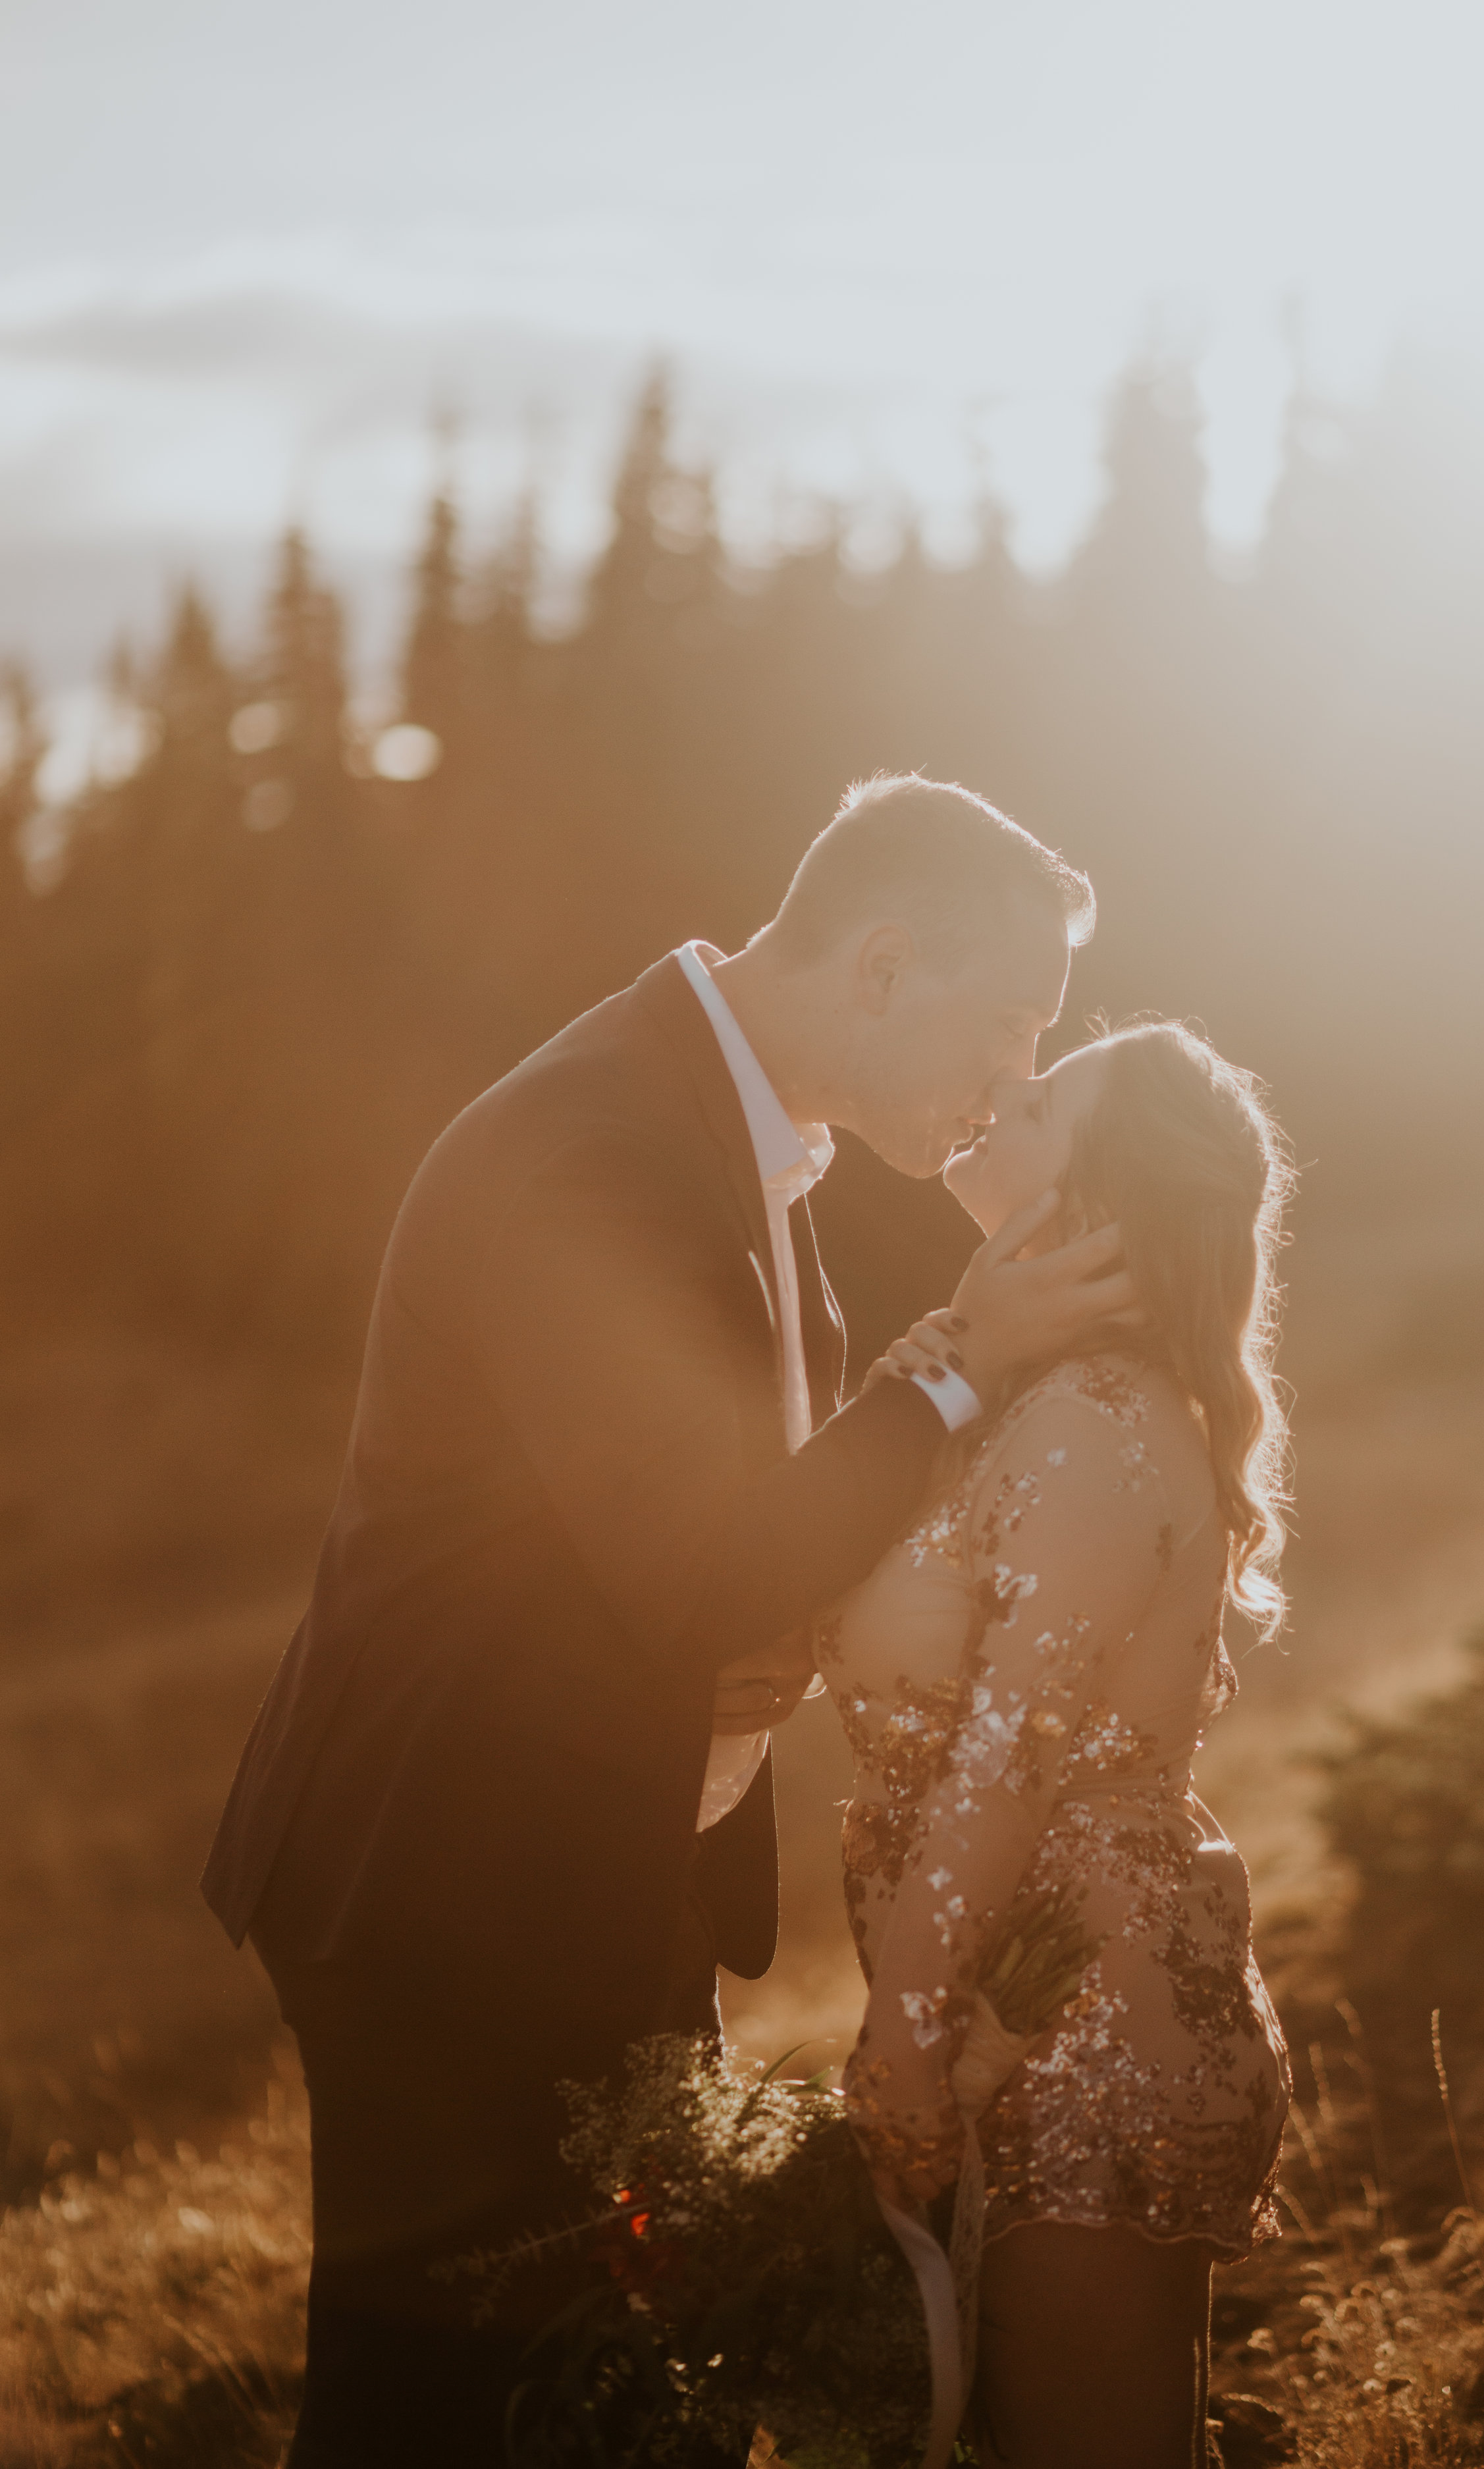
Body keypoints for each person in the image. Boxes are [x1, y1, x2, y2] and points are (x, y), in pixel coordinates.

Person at [200, 773, 1137, 2467]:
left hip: (580, 1872)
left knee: (581, 2392)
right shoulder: (596, 1147)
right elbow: (702, 1561)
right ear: (877, 965)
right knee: (429, 2406)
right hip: (442, 1884)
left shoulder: (736, 1141)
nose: (1011, 1077)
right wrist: (959, 1370)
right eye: (1000, 1024)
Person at [823, 1017, 1294, 2469]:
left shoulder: (1096, 1423)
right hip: (1014, 2014)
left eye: (1037, 1102)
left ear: (1096, 1203)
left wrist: (904, 2038)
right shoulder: (1024, 1401)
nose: (996, 1095)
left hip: (1089, 2037)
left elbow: (1006, 1760)